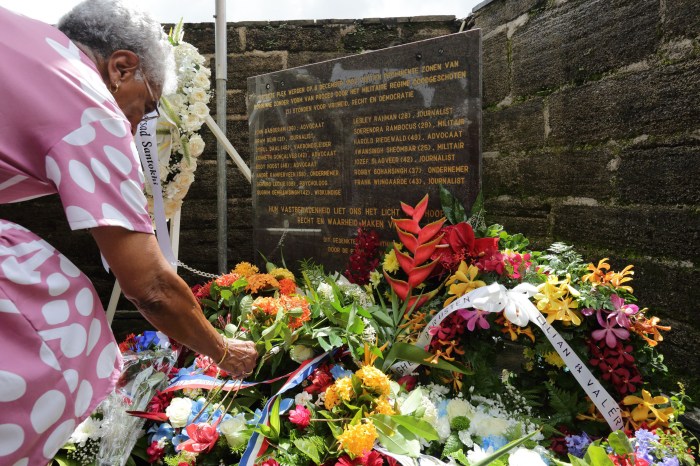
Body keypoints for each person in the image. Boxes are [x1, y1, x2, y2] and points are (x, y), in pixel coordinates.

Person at [0, 0, 257, 463]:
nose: (138, 124)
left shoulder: (21, 39)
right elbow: (151, 287)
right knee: (62, 311)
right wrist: (221, 351)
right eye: (149, 106)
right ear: (121, 68)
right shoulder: (88, 100)